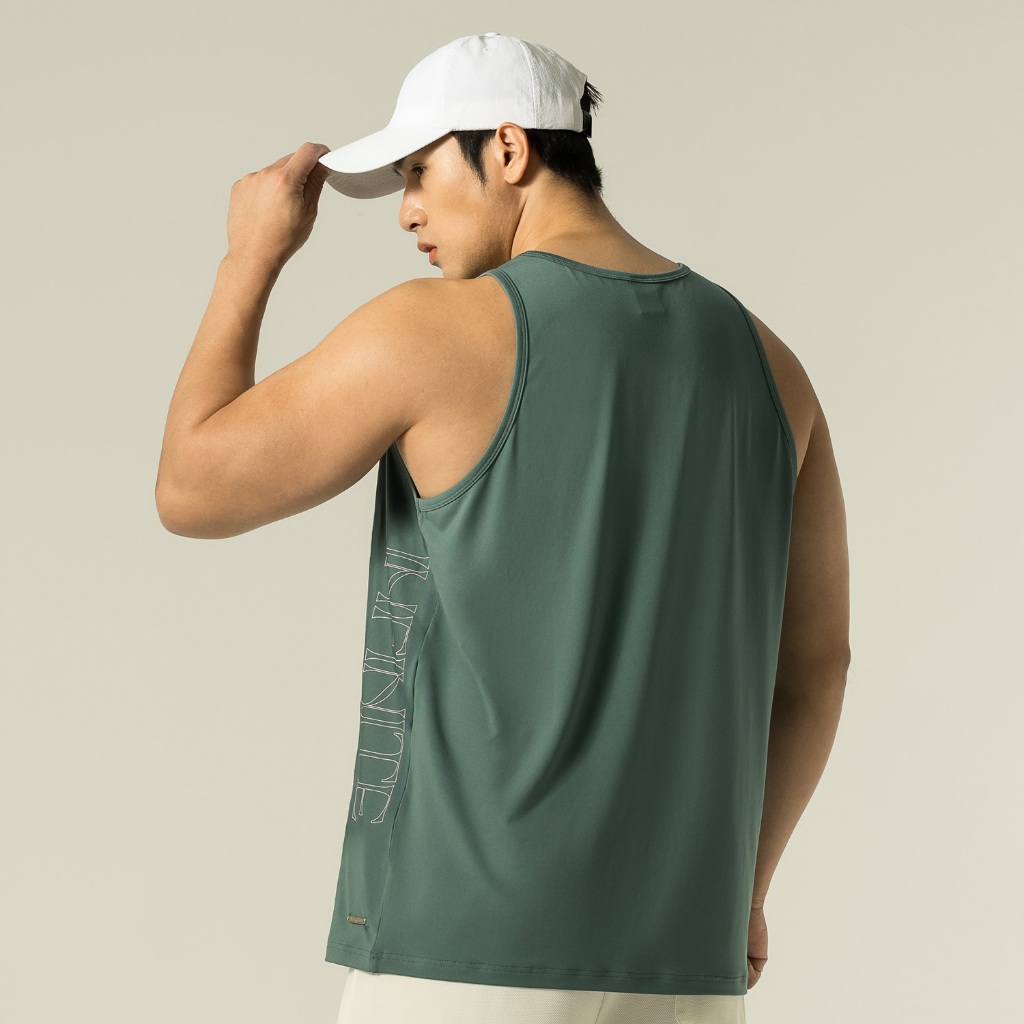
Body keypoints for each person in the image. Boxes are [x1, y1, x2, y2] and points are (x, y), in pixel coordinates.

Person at [155, 31, 851, 1024]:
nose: (407, 210)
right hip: (684, 965)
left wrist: (249, 256)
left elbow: (191, 485)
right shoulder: (771, 365)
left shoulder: (434, 330)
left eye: (419, 171)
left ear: (511, 149)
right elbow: (818, 665)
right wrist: (743, 890)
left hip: (468, 954)